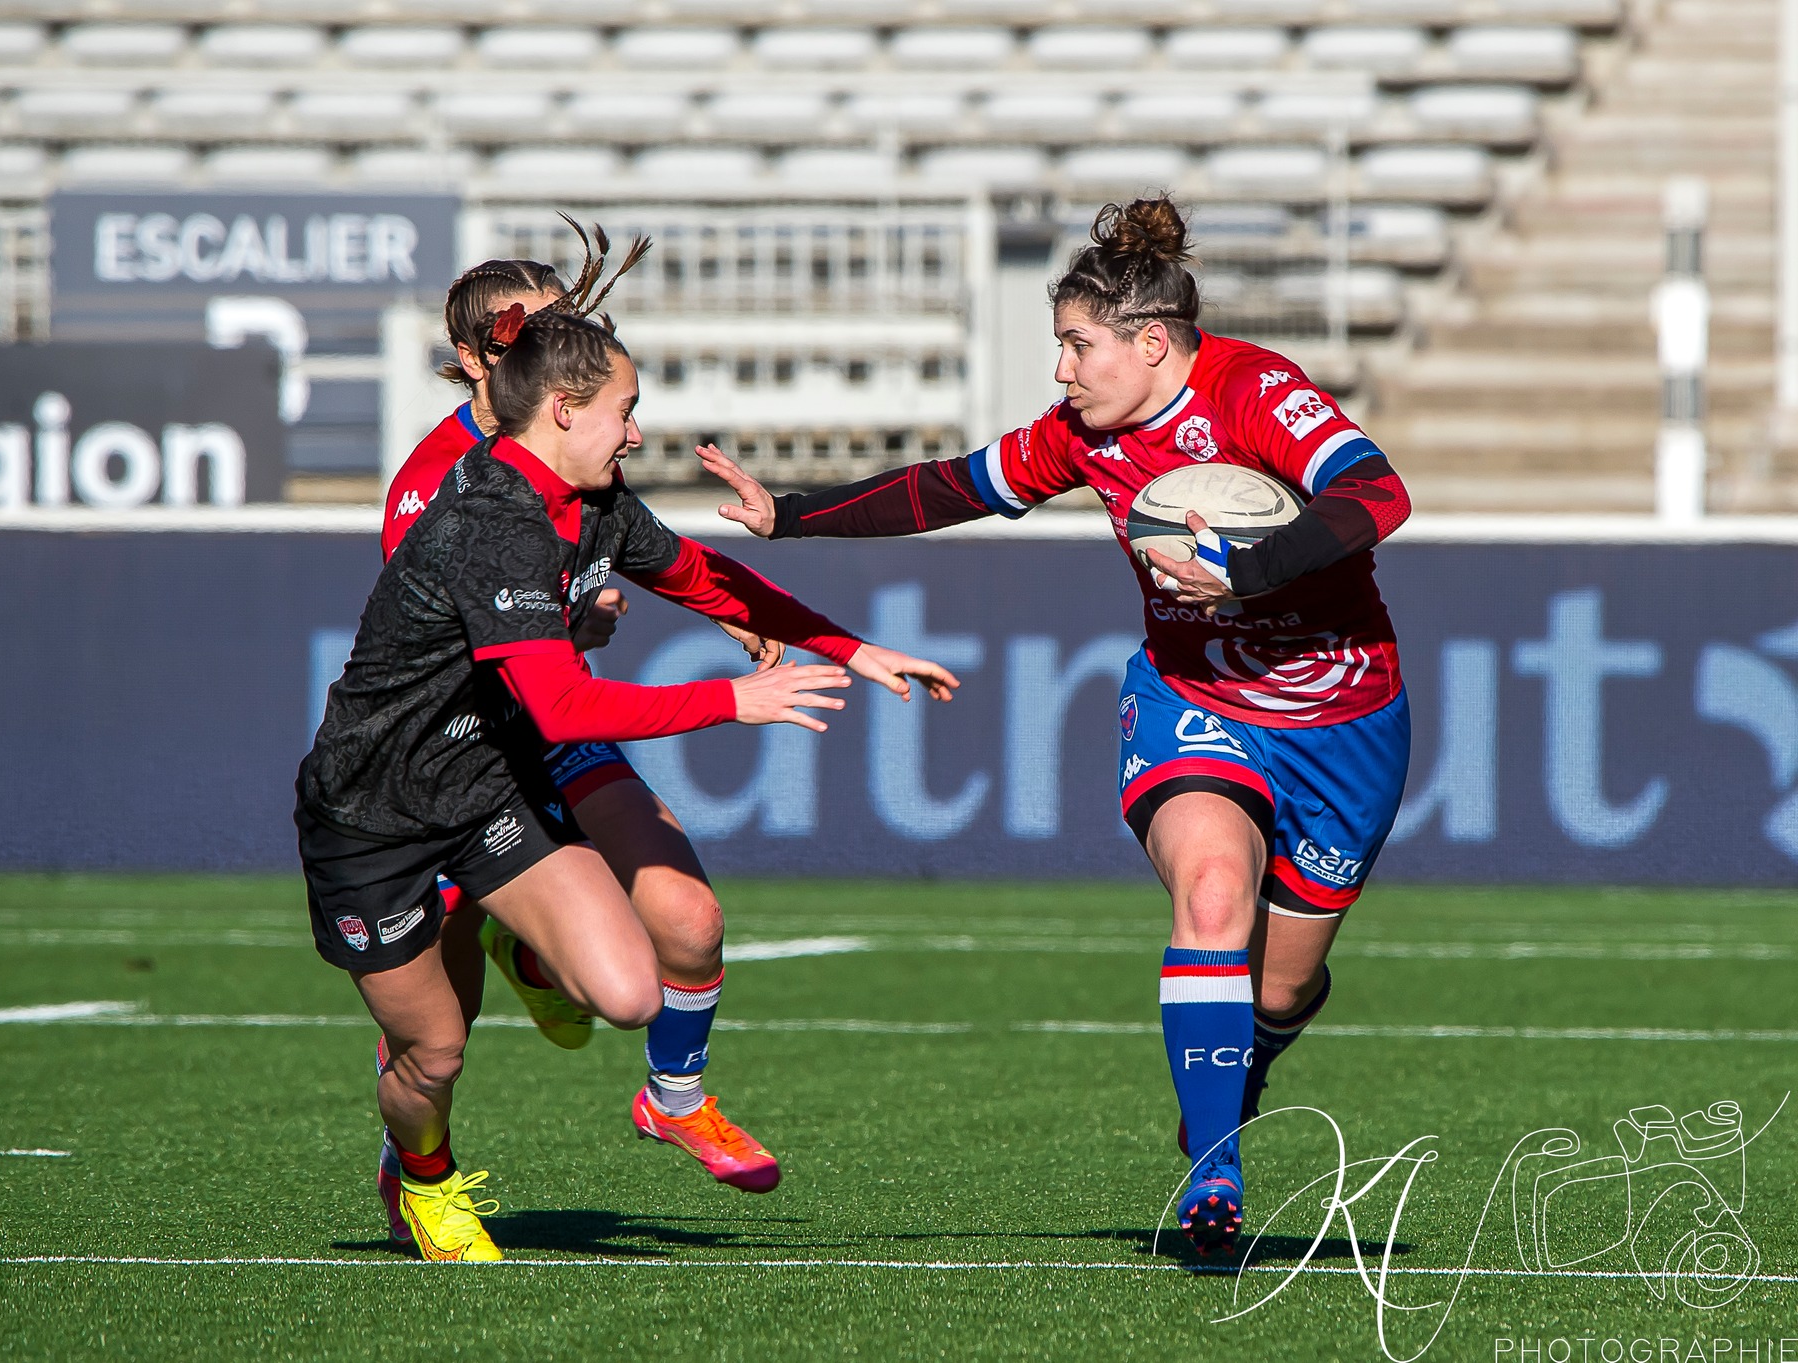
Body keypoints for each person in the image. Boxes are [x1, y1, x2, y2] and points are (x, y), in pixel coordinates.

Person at [694, 196, 1412, 1257]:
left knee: (1283, 983)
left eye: (1078, 346)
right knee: (1213, 892)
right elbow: (953, 486)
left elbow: (1376, 493)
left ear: (1152, 343)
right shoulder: (1079, 435)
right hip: (1194, 701)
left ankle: (1240, 1069)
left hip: (1345, 720)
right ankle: (1215, 1172)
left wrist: (1248, 568)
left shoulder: (1253, 391)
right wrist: (790, 513)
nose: (1062, 371)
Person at [298, 260, 959, 1261]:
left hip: (495, 775)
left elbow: (698, 574)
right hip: (377, 806)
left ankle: (639, 1060)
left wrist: (850, 647)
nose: (638, 433)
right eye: (627, 409)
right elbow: (552, 692)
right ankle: (423, 1174)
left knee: (637, 983)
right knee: (432, 1049)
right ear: (549, 398)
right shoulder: (475, 511)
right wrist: (731, 699)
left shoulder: (590, 491)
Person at [366, 238, 803, 1254]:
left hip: (552, 729)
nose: (563, 339)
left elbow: (648, 557)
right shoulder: (436, 486)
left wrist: (737, 612)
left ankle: (674, 1096)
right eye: (534, 328)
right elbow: (462, 644)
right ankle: (414, 1167)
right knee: (436, 1030)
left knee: (690, 920)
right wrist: (574, 623)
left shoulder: (583, 457)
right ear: (478, 358)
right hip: (453, 760)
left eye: (569, 319)